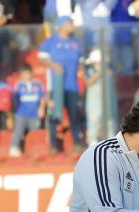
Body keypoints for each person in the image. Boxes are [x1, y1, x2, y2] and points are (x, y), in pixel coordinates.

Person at [38, 16, 85, 154]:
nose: (72, 25)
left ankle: (77, 142)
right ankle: (53, 144)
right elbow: (41, 57)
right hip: (56, 86)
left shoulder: (75, 43)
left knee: (74, 114)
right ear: (61, 25)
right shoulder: (50, 42)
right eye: (69, 23)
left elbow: (81, 60)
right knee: (54, 115)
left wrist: (81, 68)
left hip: (72, 85)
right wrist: (53, 65)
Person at [9, 63, 46, 157]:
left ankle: (35, 149)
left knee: (34, 131)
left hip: (34, 114)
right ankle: (14, 147)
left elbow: (42, 98)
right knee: (18, 130)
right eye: (23, 74)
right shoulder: (19, 85)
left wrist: (41, 109)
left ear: (31, 73)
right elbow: (14, 100)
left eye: (27, 74)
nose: (25, 76)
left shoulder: (38, 84)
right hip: (21, 113)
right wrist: (13, 114)